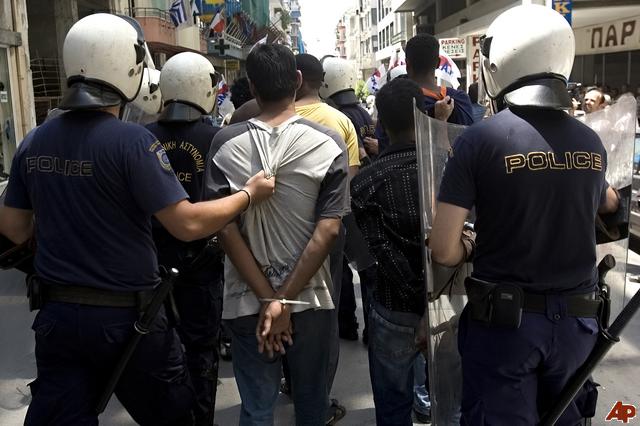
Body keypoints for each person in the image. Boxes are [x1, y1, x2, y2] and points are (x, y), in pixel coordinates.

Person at [0, 14, 274, 426]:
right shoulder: (132, 142)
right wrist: (248, 195)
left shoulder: (34, 140)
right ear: (127, 68)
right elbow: (187, 223)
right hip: (128, 321)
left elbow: (14, 228)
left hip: (59, 319)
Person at [426, 5, 620, 424]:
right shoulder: (591, 143)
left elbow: (442, 249)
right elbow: (605, 203)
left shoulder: (478, 140)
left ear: (499, 63)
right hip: (577, 327)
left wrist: (469, 245)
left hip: (505, 330)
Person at [203, 44, 349, 425]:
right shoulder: (328, 143)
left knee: (257, 408)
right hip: (310, 300)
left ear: (252, 87)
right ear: (298, 81)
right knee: (312, 404)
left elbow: (224, 229)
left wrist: (269, 298)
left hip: (245, 301)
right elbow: (329, 229)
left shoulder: (224, 144)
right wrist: (283, 300)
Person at [145, 52, 223, 426]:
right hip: (204, 262)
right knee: (201, 351)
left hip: (152, 262)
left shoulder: (142, 136)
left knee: (160, 350)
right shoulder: (216, 138)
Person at [351, 78, 430, 425]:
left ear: (381, 124)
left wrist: (414, 299)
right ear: (424, 116)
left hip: (392, 307)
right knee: (454, 404)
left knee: (393, 407)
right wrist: (429, 304)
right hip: (448, 307)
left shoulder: (365, 183)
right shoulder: (450, 168)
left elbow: (380, 250)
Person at [320, 56, 377, 344]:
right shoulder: (363, 114)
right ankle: (371, 328)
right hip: (368, 196)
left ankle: (347, 324)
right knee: (367, 266)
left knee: (341, 265)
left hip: (344, 199)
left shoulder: (335, 117)